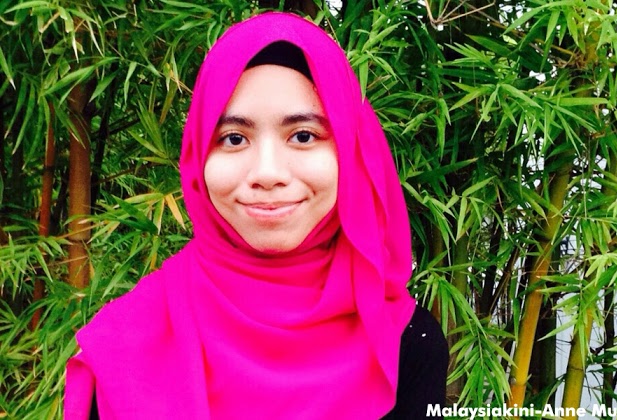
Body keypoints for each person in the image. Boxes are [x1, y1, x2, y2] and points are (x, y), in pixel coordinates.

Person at [64, 12, 448, 419]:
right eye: (234, 138)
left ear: (351, 152)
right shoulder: (123, 347)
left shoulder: (406, 344)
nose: (267, 173)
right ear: (197, 155)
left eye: (303, 136)